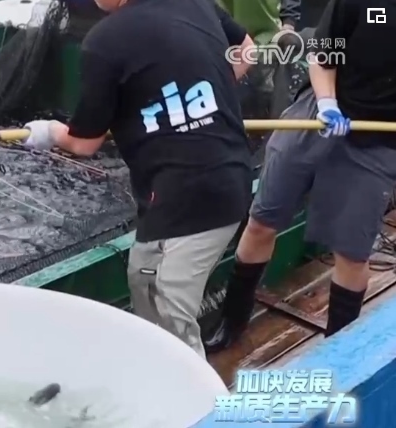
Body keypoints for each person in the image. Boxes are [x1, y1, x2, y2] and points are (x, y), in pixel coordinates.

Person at [22, 0, 254, 357]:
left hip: (203, 192)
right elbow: (248, 49)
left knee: (170, 303)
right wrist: (206, 95)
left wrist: (49, 132)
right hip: (212, 181)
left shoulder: (104, 42)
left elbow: (84, 142)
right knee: (142, 276)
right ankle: (154, 369)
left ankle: (193, 388)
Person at [205, 0, 396, 352]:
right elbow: (323, 55)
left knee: (352, 252)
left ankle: (339, 349)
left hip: (378, 139)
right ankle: (233, 319)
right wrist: (327, 104)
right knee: (261, 221)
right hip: (318, 114)